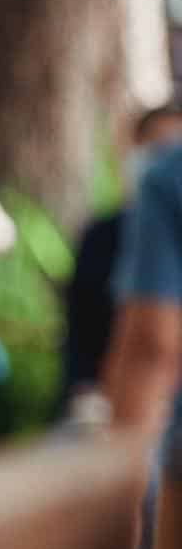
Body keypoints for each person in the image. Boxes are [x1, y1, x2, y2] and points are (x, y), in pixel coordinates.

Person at [69, 105, 182, 416]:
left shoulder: (166, 181)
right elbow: (81, 328)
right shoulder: (101, 236)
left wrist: (124, 441)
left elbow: (152, 343)